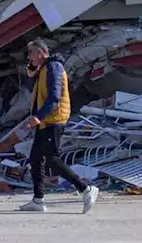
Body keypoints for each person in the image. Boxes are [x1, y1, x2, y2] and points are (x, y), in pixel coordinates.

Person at [19, 39, 99, 213]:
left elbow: (54, 98)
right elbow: (31, 78)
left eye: (31, 53)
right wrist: (32, 68)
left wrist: (38, 117)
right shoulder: (44, 69)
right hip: (46, 121)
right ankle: (38, 200)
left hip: (53, 120)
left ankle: (86, 189)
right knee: (36, 159)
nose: (29, 57)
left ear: (40, 53)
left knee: (52, 159)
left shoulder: (53, 67)